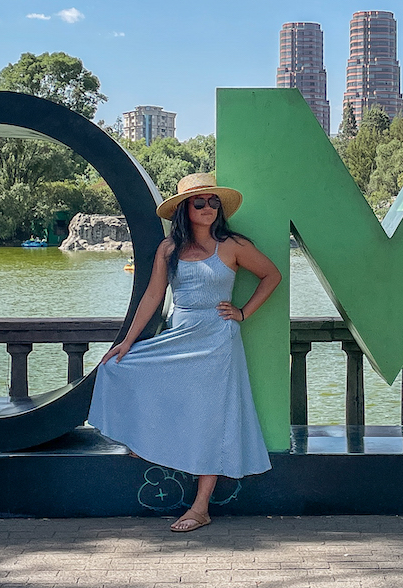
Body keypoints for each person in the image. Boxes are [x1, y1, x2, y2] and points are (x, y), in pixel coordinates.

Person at [89, 172, 282, 532]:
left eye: (213, 202)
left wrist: (242, 313)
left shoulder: (233, 245)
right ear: (184, 209)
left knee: (212, 419)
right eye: (200, 202)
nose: (208, 207)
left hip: (217, 344)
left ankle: (200, 507)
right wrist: (129, 341)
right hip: (180, 335)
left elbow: (272, 275)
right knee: (118, 369)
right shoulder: (169, 249)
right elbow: (152, 297)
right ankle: (143, 440)